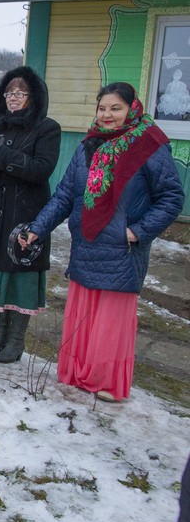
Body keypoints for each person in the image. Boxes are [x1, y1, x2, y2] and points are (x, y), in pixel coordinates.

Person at [22, 82, 183, 401]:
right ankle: (78, 374)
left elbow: (171, 197)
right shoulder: (88, 146)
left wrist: (136, 231)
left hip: (122, 250)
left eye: (116, 108)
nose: (107, 115)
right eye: (102, 108)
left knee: (110, 321)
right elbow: (66, 195)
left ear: (131, 109)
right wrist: (37, 228)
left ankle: (107, 383)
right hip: (87, 245)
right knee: (83, 317)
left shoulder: (148, 144)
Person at [0, 66, 61, 362]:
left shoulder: (46, 128)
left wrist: (1, 155)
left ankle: (16, 341)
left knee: (19, 275)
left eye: (21, 93)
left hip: (24, 213)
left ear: (33, 97)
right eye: (9, 92)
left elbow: (40, 170)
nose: (14, 98)